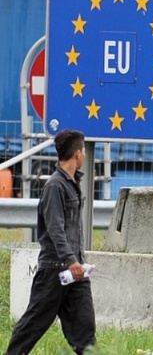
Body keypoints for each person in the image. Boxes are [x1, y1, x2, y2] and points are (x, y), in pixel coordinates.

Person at [5, 129, 96, 355]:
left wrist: (77, 262)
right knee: (33, 324)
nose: (84, 155)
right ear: (77, 154)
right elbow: (56, 229)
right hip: (55, 271)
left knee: (85, 331)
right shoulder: (55, 186)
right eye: (83, 150)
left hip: (76, 271)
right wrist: (70, 260)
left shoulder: (72, 182)